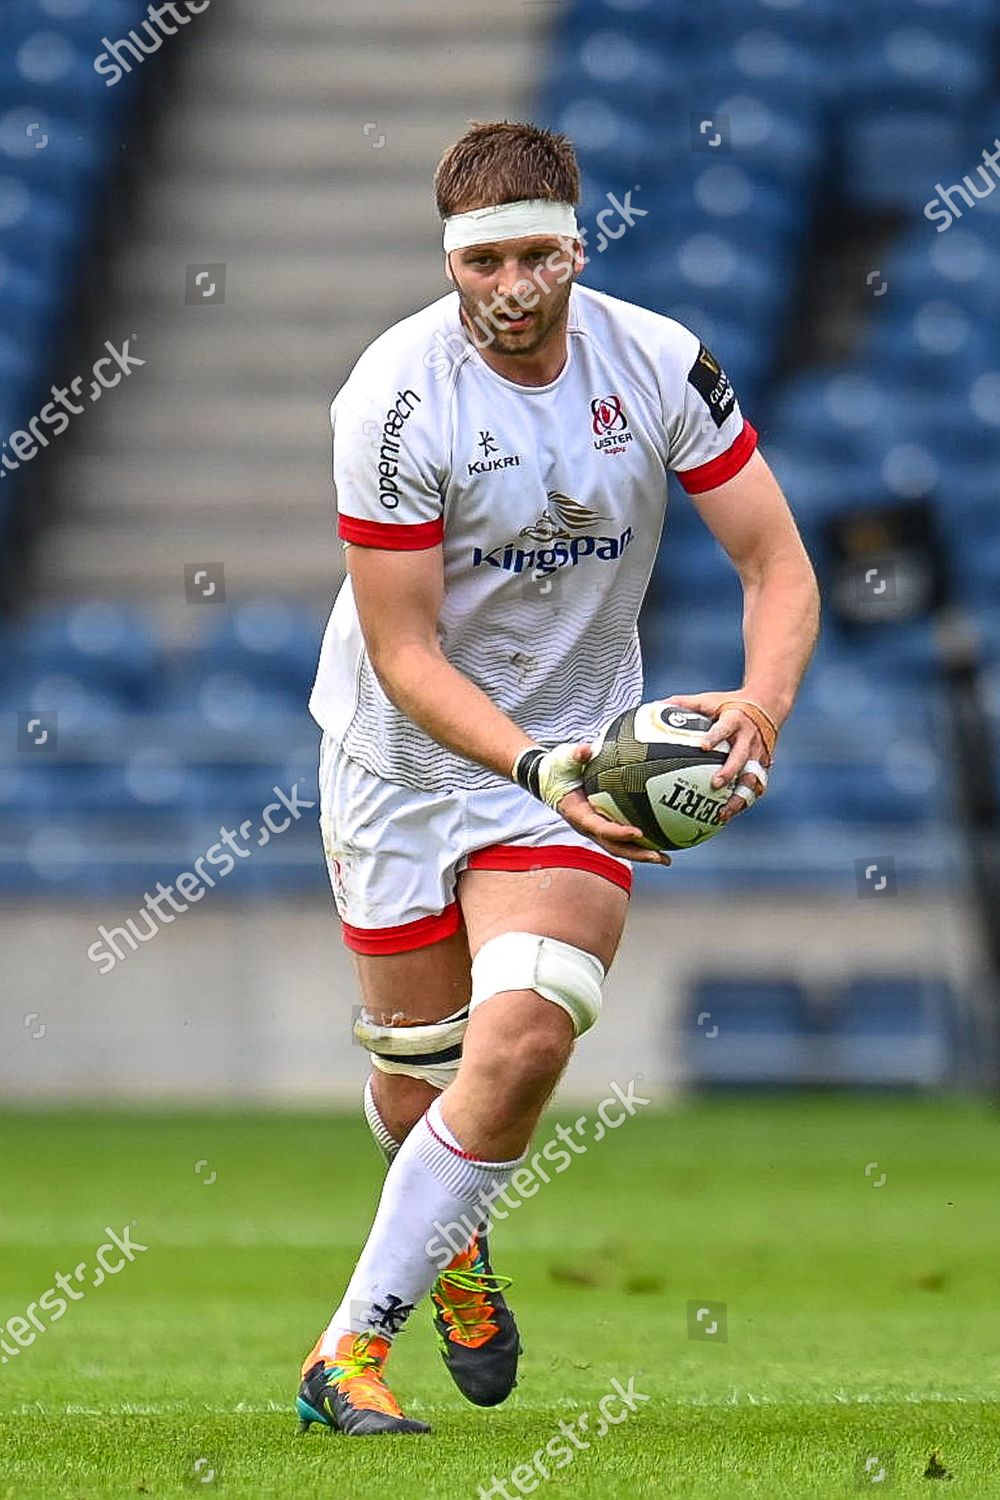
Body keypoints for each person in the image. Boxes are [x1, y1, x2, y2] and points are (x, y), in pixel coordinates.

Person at [297, 120, 820, 1435]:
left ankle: (347, 1353)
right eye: (485, 262)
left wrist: (760, 701)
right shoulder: (391, 398)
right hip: (403, 758)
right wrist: (533, 762)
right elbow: (405, 650)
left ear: (578, 247)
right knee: (421, 1074)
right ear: (453, 264)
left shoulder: (660, 364)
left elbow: (777, 563)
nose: (513, 285)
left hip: (584, 753)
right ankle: (456, 1257)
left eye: (538, 253)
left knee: (526, 1036)